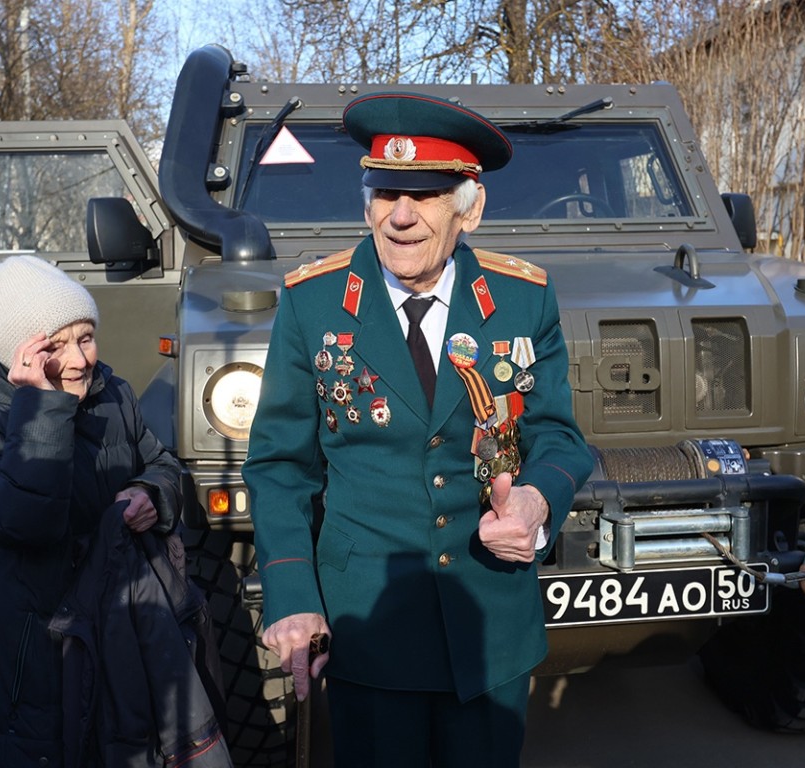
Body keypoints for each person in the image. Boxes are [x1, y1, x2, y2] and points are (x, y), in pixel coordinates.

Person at [241, 93, 594, 766]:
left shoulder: (523, 296)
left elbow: (558, 434)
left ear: (469, 207)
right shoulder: (313, 302)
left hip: (489, 622)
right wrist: (291, 596)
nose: (401, 217)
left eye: (426, 194)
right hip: (366, 626)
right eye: (385, 192)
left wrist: (537, 500)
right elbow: (280, 466)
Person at [0, 255, 229, 767]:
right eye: (54, 346)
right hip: (36, 653)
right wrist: (41, 407)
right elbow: (20, 525)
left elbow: (163, 463)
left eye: (85, 337)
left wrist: (152, 492)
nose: (79, 359)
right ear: (20, 355)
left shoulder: (113, 393)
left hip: (124, 630)